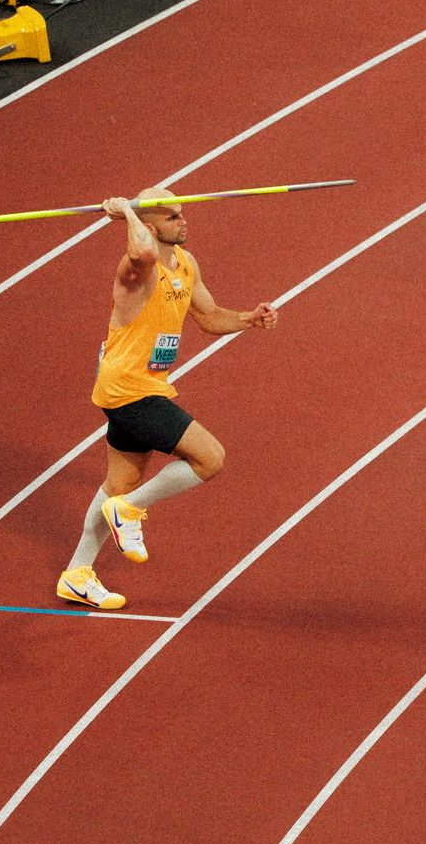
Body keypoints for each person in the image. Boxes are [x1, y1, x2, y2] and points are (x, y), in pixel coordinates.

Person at [56, 189, 277, 609]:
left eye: (182, 214)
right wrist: (125, 212)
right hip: (130, 389)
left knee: (119, 484)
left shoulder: (186, 264)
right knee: (210, 458)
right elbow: (142, 251)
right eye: (172, 217)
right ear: (151, 225)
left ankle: (77, 574)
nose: (183, 221)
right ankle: (129, 512)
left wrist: (249, 319)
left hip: (140, 387)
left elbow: (209, 316)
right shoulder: (137, 269)